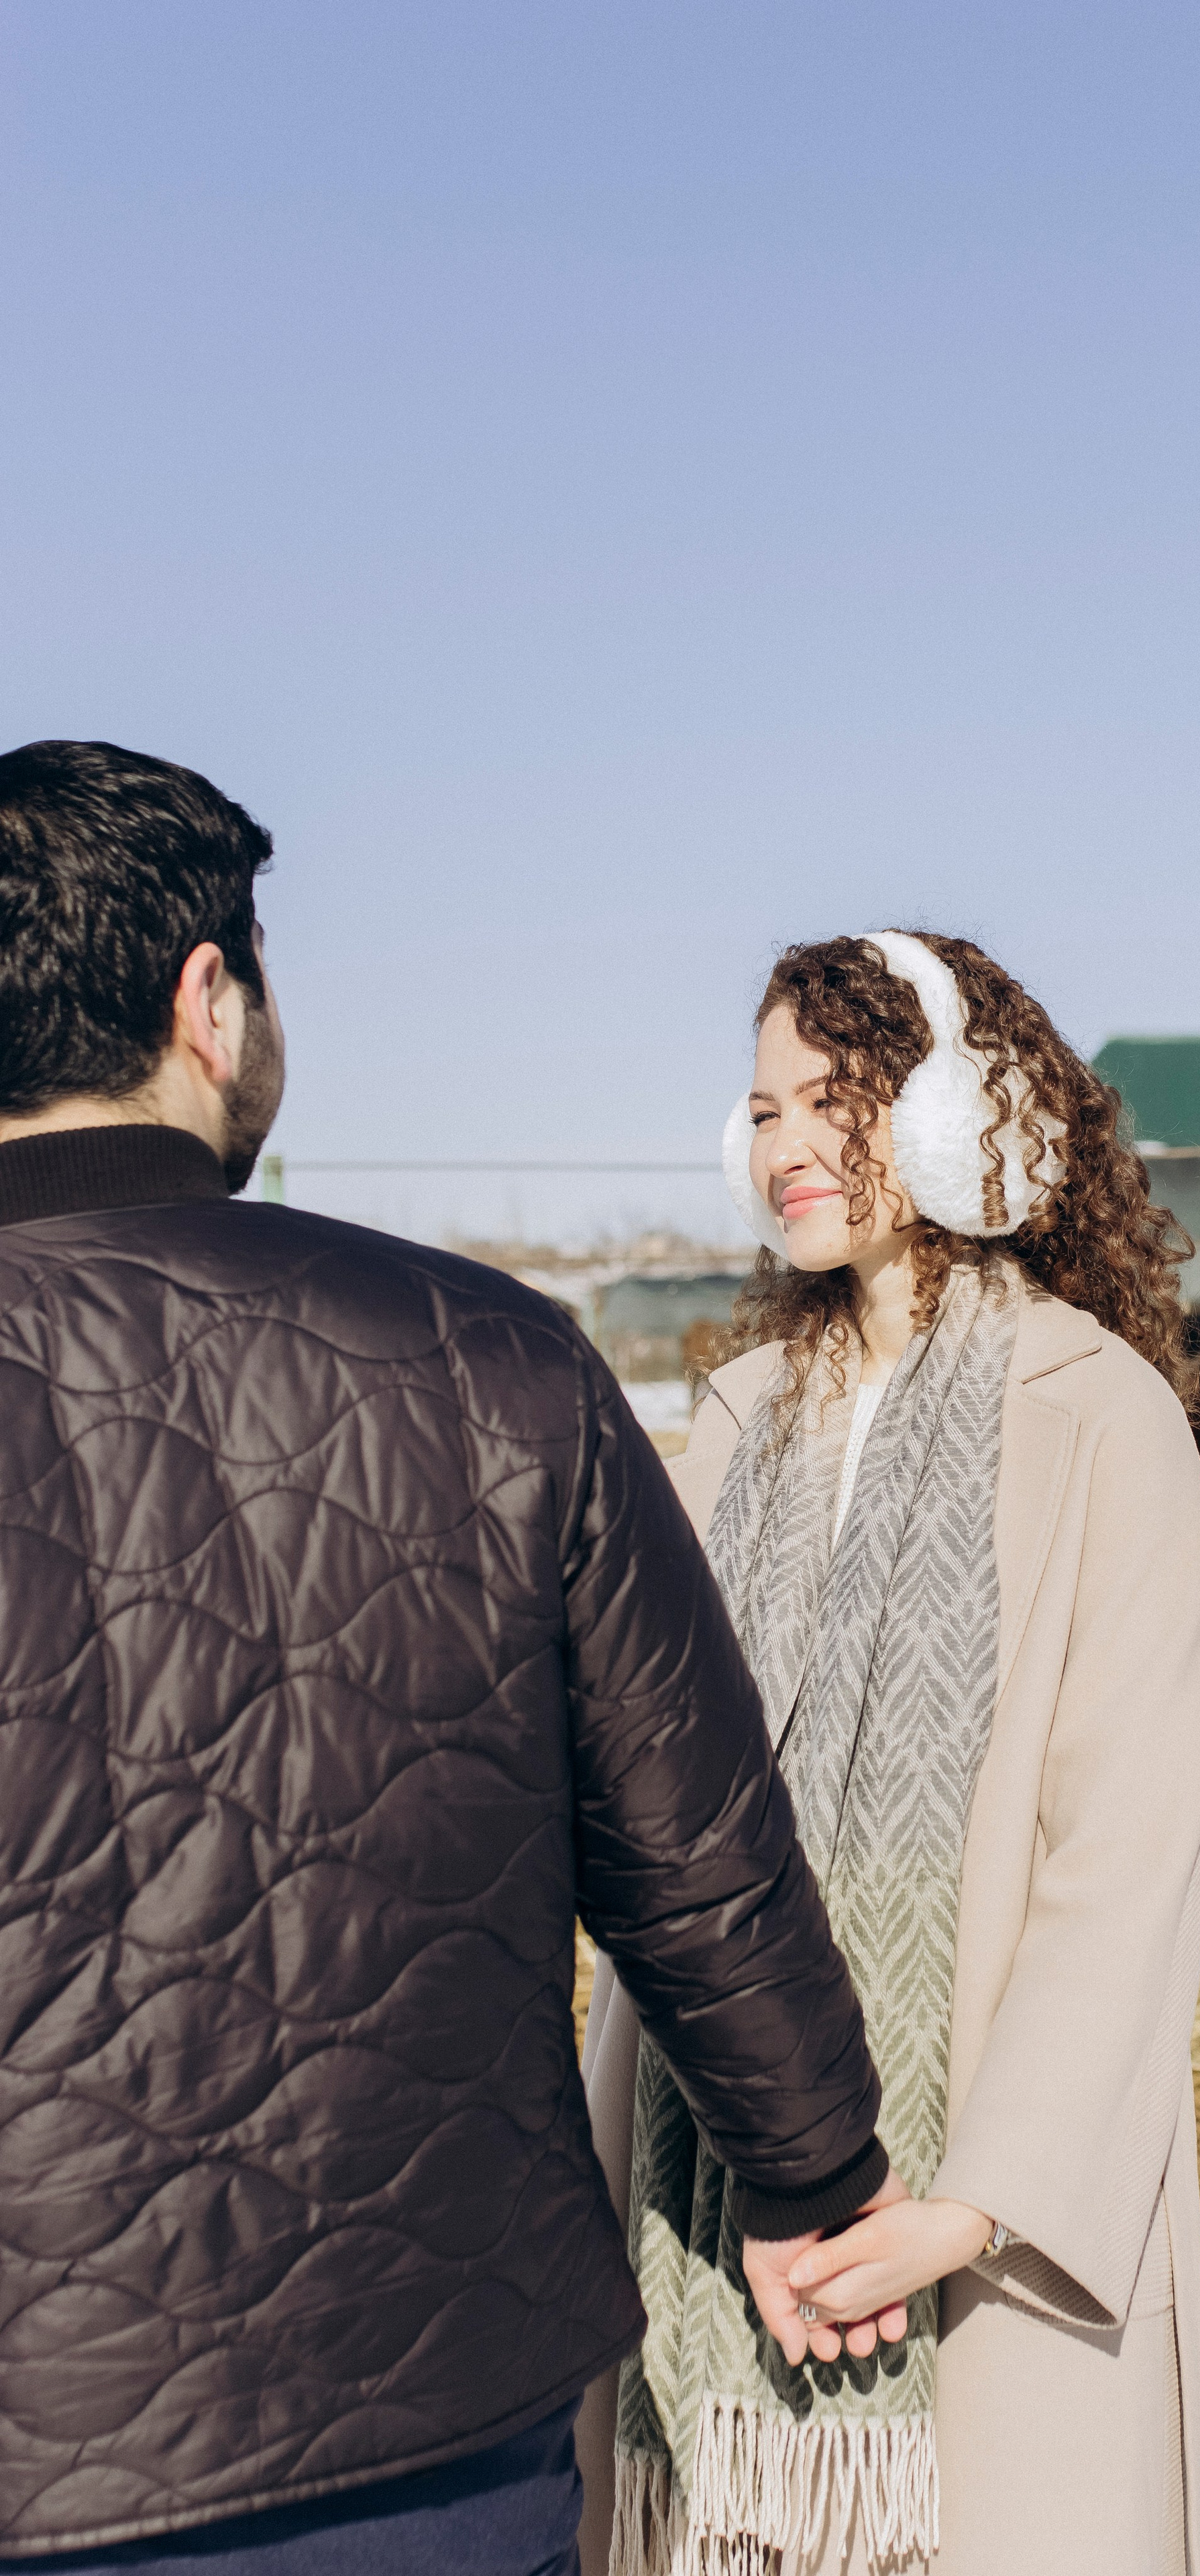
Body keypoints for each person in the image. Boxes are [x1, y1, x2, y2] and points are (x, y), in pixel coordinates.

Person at [0, 741, 899, 2575]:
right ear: (208, 1002)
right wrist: (813, 2175)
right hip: (425, 2423)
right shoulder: (495, 1361)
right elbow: (698, 1854)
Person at [578, 932, 1200, 2576]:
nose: (783, 1146)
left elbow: (1126, 1859)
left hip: (992, 2223)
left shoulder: (1100, 1421)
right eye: (759, 1108)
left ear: (964, 1117)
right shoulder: (729, 1426)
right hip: (706, 2176)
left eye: (833, 1098)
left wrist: (974, 2197)